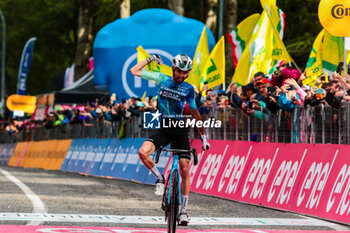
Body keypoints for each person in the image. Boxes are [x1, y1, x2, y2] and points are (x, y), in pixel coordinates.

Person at [130, 54, 210, 226]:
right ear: (173, 69)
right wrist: (150, 59)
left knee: (184, 168)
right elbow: (134, 70)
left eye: (185, 73)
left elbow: (195, 114)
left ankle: (184, 212)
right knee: (142, 152)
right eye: (179, 72)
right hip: (164, 129)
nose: (181, 76)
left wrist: (204, 137)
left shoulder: (189, 89)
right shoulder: (161, 78)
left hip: (180, 130)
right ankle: (159, 179)